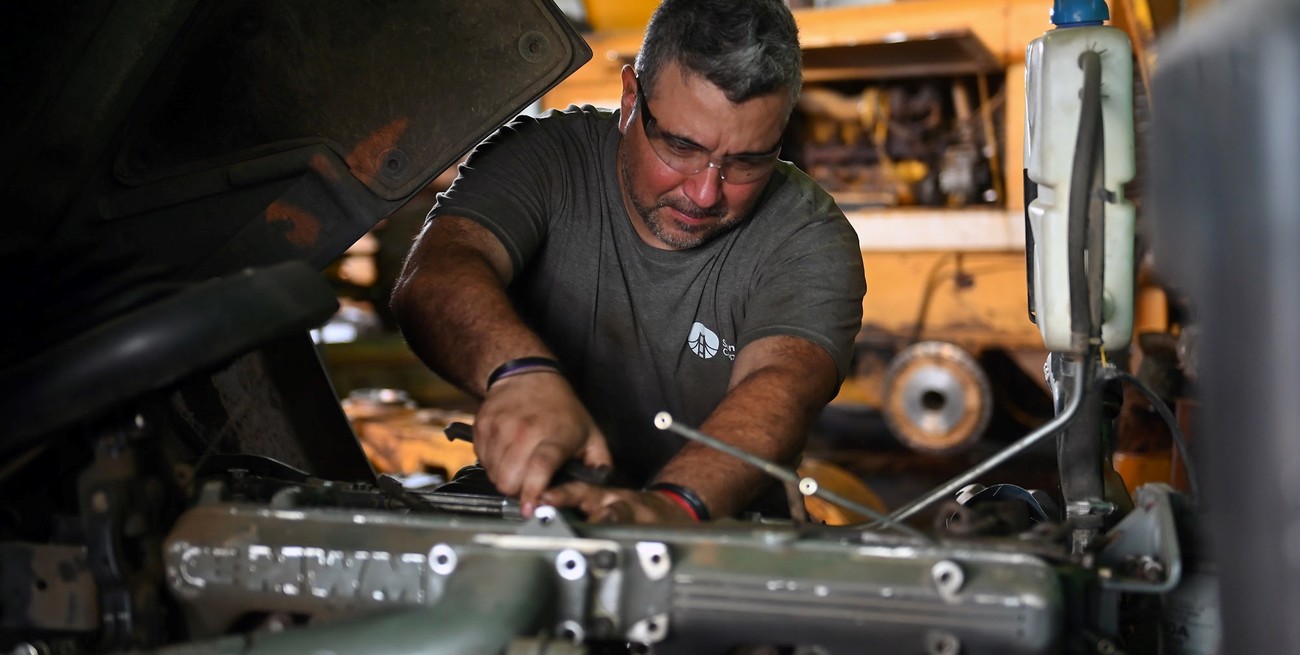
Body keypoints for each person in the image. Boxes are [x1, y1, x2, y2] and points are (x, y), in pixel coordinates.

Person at [391, 0, 865, 524]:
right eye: (681, 147)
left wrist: (671, 507)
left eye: (747, 162)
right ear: (630, 99)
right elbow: (436, 273)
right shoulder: (546, 160)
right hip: (532, 501)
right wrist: (519, 373)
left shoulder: (808, 232)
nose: (705, 193)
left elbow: (782, 385)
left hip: (723, 526)